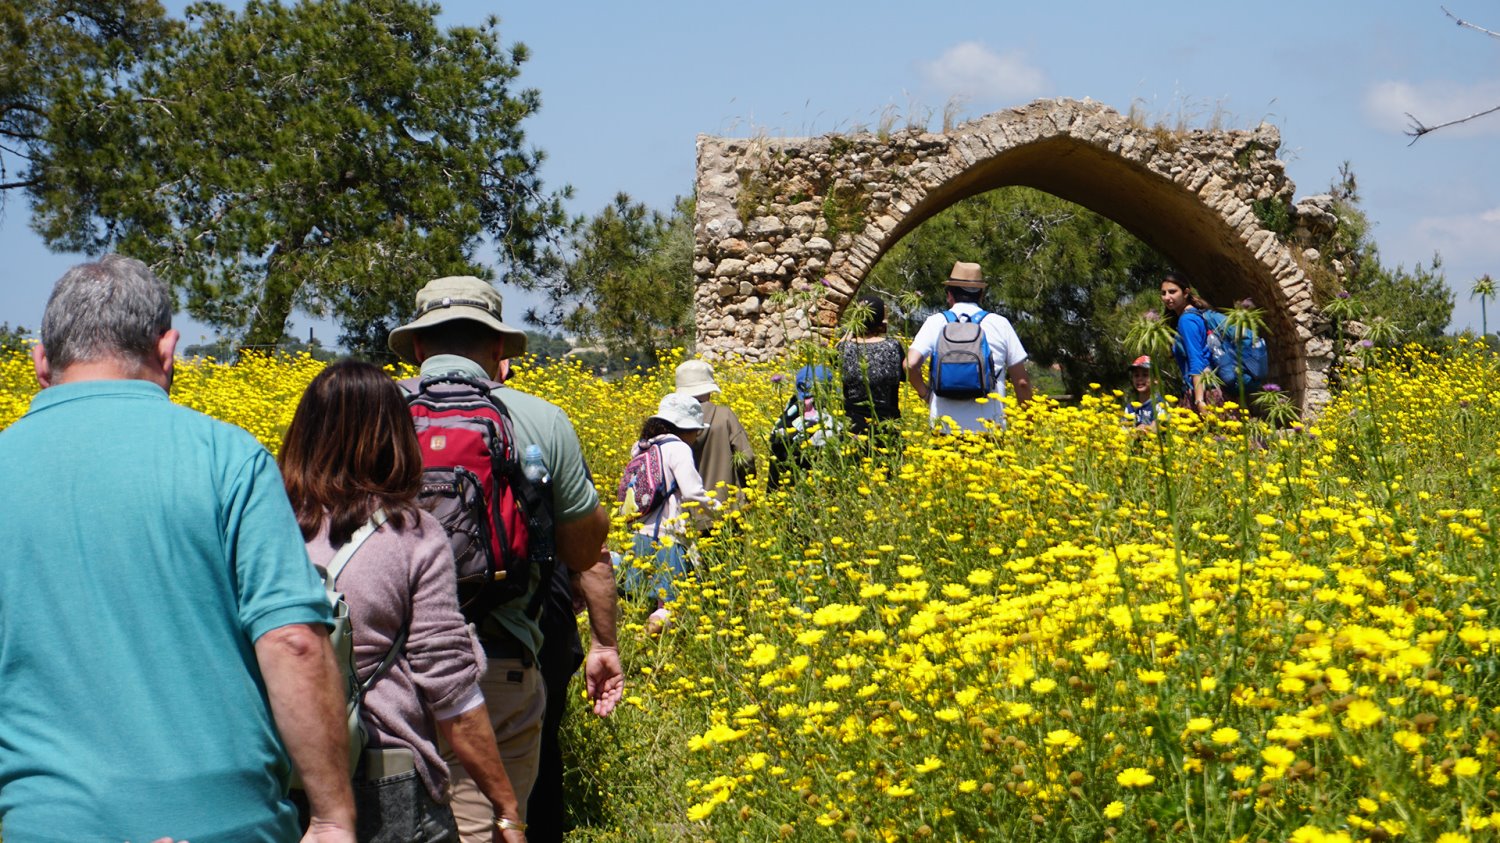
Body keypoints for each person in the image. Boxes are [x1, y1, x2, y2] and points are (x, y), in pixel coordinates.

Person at [0, 255, 354, 842]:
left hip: (49, 824)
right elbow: (293, 642)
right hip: (224, 822)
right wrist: (332, 816)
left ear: (41, 360)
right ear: (167, 352)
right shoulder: (230, 460)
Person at [388, 276, 623, 843]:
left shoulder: (373, 413)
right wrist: (604, 643)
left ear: (418, 349)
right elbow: (582, 553)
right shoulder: (542, 421)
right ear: (499, 353)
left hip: (386, 672)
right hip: (496, 664)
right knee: (494, 826)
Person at [280, 360, 528, 842]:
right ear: (394, 435)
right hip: (383, 774)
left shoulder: (260, 525)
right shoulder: (411, 535)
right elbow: (449, 685)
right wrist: (504, 805)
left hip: (275, 775)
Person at [621, 392, 716, 635]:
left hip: (638, 535)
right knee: (670, 606)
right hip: (667, 536)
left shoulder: (641, 446)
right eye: (696, 430)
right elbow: (693, 493)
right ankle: (642, 641)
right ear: (683, 428)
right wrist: (720, 512)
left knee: (645, 600)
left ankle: (639, 648)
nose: (696, 436)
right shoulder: (679, 449)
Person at [905, 261, 1033, 433]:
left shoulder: (935, 322)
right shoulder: (999, 324)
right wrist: (1028, 425)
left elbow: (910, 364)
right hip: (989, 429)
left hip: (944, 427)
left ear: (949, 295)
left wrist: (925, 395)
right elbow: (1022, 382)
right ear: (981, 295)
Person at [674, 358, 754, 507]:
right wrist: (748, 491)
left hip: (683, 514)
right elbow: (746, 458)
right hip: (726, 508)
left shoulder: (670, 420)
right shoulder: (724, 416)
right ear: (709, 389)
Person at [837, 295, 904, 443]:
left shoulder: (844, 348)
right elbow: (903, 377)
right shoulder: (893, 347)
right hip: (886, 424)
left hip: (852, 426)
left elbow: (834, 355)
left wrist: (852, 328)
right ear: (881, 320)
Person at [1160, 271, 1224, 415]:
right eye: (1163, 293)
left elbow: (1196, 360)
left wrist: (1199, 400)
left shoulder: (1187, 320)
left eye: (1172, 292)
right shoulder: (1196, 314)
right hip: (1208, 387)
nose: (1167, 297)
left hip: (1204, 391)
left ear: (1186, 293)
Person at [1122, 355, 1168, 430]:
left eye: (1145, 375)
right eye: (1136, 375)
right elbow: (1124, 431)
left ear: (1156, 379)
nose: (1140, 379)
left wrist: (1142, 430)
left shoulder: (1161, 404)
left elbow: (1157, 428)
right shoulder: (1130, 407)